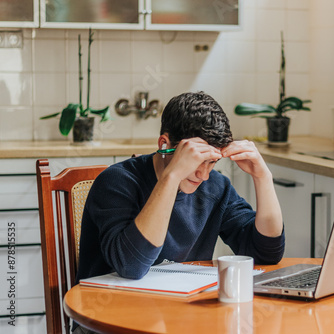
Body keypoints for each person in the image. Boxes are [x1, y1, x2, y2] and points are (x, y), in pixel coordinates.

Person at [75, 91, 285, 286]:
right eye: (195, 160)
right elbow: (131, 267)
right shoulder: (116, 182)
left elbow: (265, 255)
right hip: (107, 315)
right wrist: (172, 177)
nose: (203, 175)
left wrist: (263, 177)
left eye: (212, 162)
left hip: (176, 313)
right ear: (164, 145)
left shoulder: (215, 186)